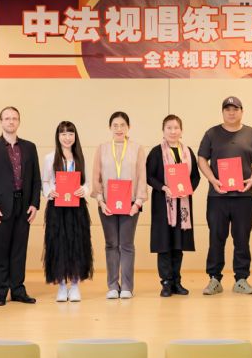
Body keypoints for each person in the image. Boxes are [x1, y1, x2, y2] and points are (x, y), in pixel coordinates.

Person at [197, 96, 252, 295]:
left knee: (242, 238)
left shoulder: (251, 133)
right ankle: (214, 279)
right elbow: (201, 159)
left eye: (235, 109)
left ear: (242, 111)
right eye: (227, 109)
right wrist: (213, 180)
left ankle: (241, 279)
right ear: (223, 112)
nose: (231, 113)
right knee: (216, 238)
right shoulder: (211, 133)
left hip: (243, 197)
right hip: (217, 197)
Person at [0, 106, 41, 306]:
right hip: (0, 208)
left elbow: (36, 179)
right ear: (1, 122)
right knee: (1, 252)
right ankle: (0, 292)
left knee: (19, 251)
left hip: (24, 206)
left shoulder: (30, 147)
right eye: (7, 118)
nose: (11, 121)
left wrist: (34, 204)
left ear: (19, 122)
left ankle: (18, 290)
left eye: (14, 118)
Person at [91, 111, 147, 299]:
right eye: (115, 125)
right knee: (111, 244)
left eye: (123, 125)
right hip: (107, 204)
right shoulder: (102, 148)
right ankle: (113, 286)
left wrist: (138, 202)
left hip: (130, 204)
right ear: (110, 127)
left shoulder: (137, 149)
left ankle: (127, 287)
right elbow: (96, 177)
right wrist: (100, 200)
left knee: (127, 245)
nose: (119, 128)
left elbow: (142, 176)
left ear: (128, 127)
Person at [146, 114, 201, 297]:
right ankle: (166, 283)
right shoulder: (156, 152)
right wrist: (163, 188)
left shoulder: (188, 152)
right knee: (164, 244)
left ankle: (177, 281)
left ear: (181, 131)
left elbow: (195, 177)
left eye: (176, 128)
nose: (173, 131)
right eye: (169, 128)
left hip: (183, 205)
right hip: (163, 204)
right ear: (163, 131)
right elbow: (149, 176)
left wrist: (189, 189)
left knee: (178, 244)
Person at [41, 121, 93, 302]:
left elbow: (88, 183)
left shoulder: (80, 157)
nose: (67, 137)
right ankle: (62, 286)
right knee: (59, 245)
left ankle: (75, 285)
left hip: (77, 208)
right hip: (57, 208)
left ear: (75, 136)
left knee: (77, 245)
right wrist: (50, 192)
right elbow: (45, 182)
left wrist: (84, 190)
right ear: (58, 137)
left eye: (70, 134)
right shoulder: (50, 158)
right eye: (63, 134)